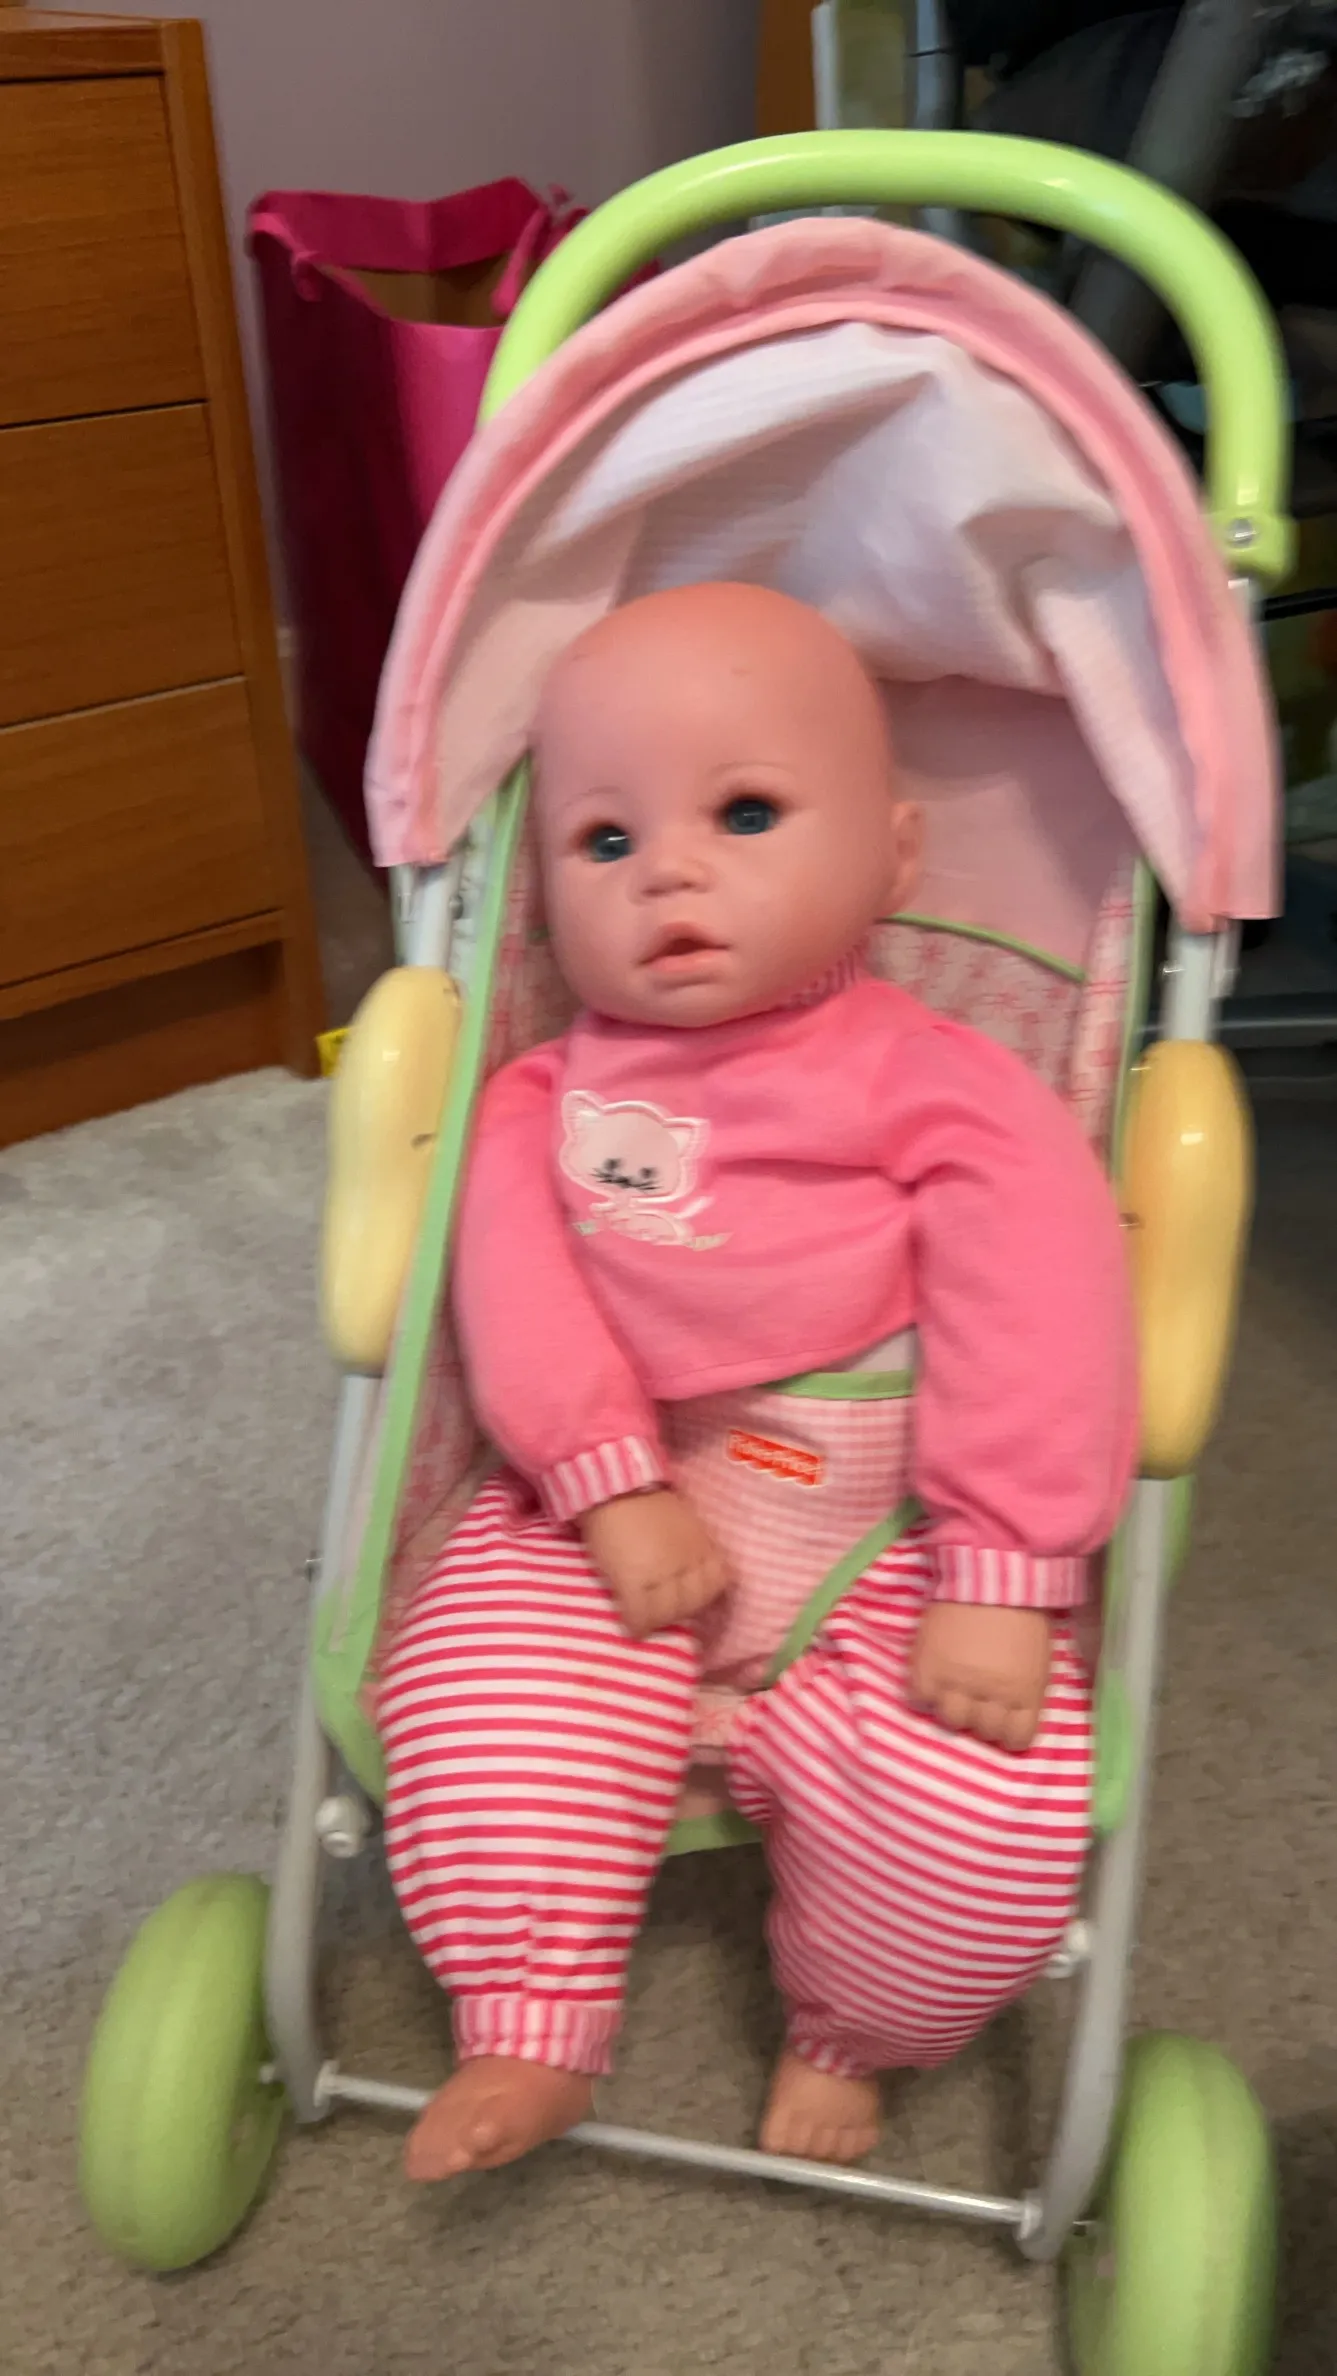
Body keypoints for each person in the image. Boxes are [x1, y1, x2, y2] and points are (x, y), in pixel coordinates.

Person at [379, 583, 1138, 2183]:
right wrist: (604, 1481)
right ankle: (528, 2017)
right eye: (604, 839)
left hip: (892, 1538)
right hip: (602, 1503)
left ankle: (850, 2026)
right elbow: (516, 1301)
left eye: (743, 814)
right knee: (473, 1691)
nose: (668, 869)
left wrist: (1003, 1565)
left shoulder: (943, 1083)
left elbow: (1039, 1307)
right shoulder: (535, 1095)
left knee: (979, 1816)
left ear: (895, 860)